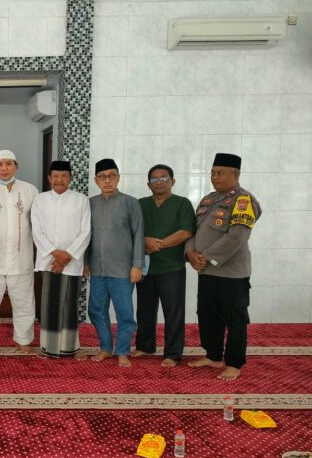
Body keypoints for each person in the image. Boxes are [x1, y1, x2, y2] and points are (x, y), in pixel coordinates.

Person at [186, 153, 261, 381]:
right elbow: (193, 231)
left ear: (235, 175)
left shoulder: (243, 200)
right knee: (208, 315)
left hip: (231, 273)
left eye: (220, 173)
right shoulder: (208, 200)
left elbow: (236, 236)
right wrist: (190, 254)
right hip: (206, 271)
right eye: (213, 173)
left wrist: (206, 256)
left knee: (235, 319)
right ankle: (213, 355)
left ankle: (234, 363)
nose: (215, 177)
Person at [132, 164, 195, 367]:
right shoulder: (140, 204)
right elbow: (131, 230)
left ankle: (173, 353)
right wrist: (144, 242)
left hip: (172, 268)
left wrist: (158, 244)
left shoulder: (182, 204)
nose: (159, 182)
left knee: (173, 311)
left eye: (163, 178)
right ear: (148, 184)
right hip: (145, 267)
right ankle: (145, 346)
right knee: (144, 310)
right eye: (154, 179)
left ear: (172, 181)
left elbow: (186, 232)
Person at [0, 149, 39, 353]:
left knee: (24, 304)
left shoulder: (31, 190)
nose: (4, 168)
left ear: (16, 166)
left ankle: (23, 340)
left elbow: (38, 223)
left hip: (22, 259)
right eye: (0, 164)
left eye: (8, 163)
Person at [86, 158, 144, 367]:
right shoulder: (90, 204)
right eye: (102, 177)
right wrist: (85, 262)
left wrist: (137, 265)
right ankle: (105, 347)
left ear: (118, 178)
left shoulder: (130, 203)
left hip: (123, 270)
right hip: (97, 269)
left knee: (124, 313)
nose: (107, 180)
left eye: (111, 176)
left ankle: (122, 351)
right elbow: (85, 236)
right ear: (96, 180)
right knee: (96, 310)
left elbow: (139, 235)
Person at [31, 160, 91, 359]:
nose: (59, 180)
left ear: (70, 178)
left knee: (70, 303)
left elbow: (85, 232)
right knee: (49, 303)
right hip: (48, 261)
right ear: (49, 178)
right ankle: (48, 347)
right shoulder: (40, 200)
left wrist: (66, 257)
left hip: (72, 261)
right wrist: (54, 253)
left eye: (64, 176)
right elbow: (37, 231)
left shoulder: (81, 200)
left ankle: (70, 347)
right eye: (55, 176)